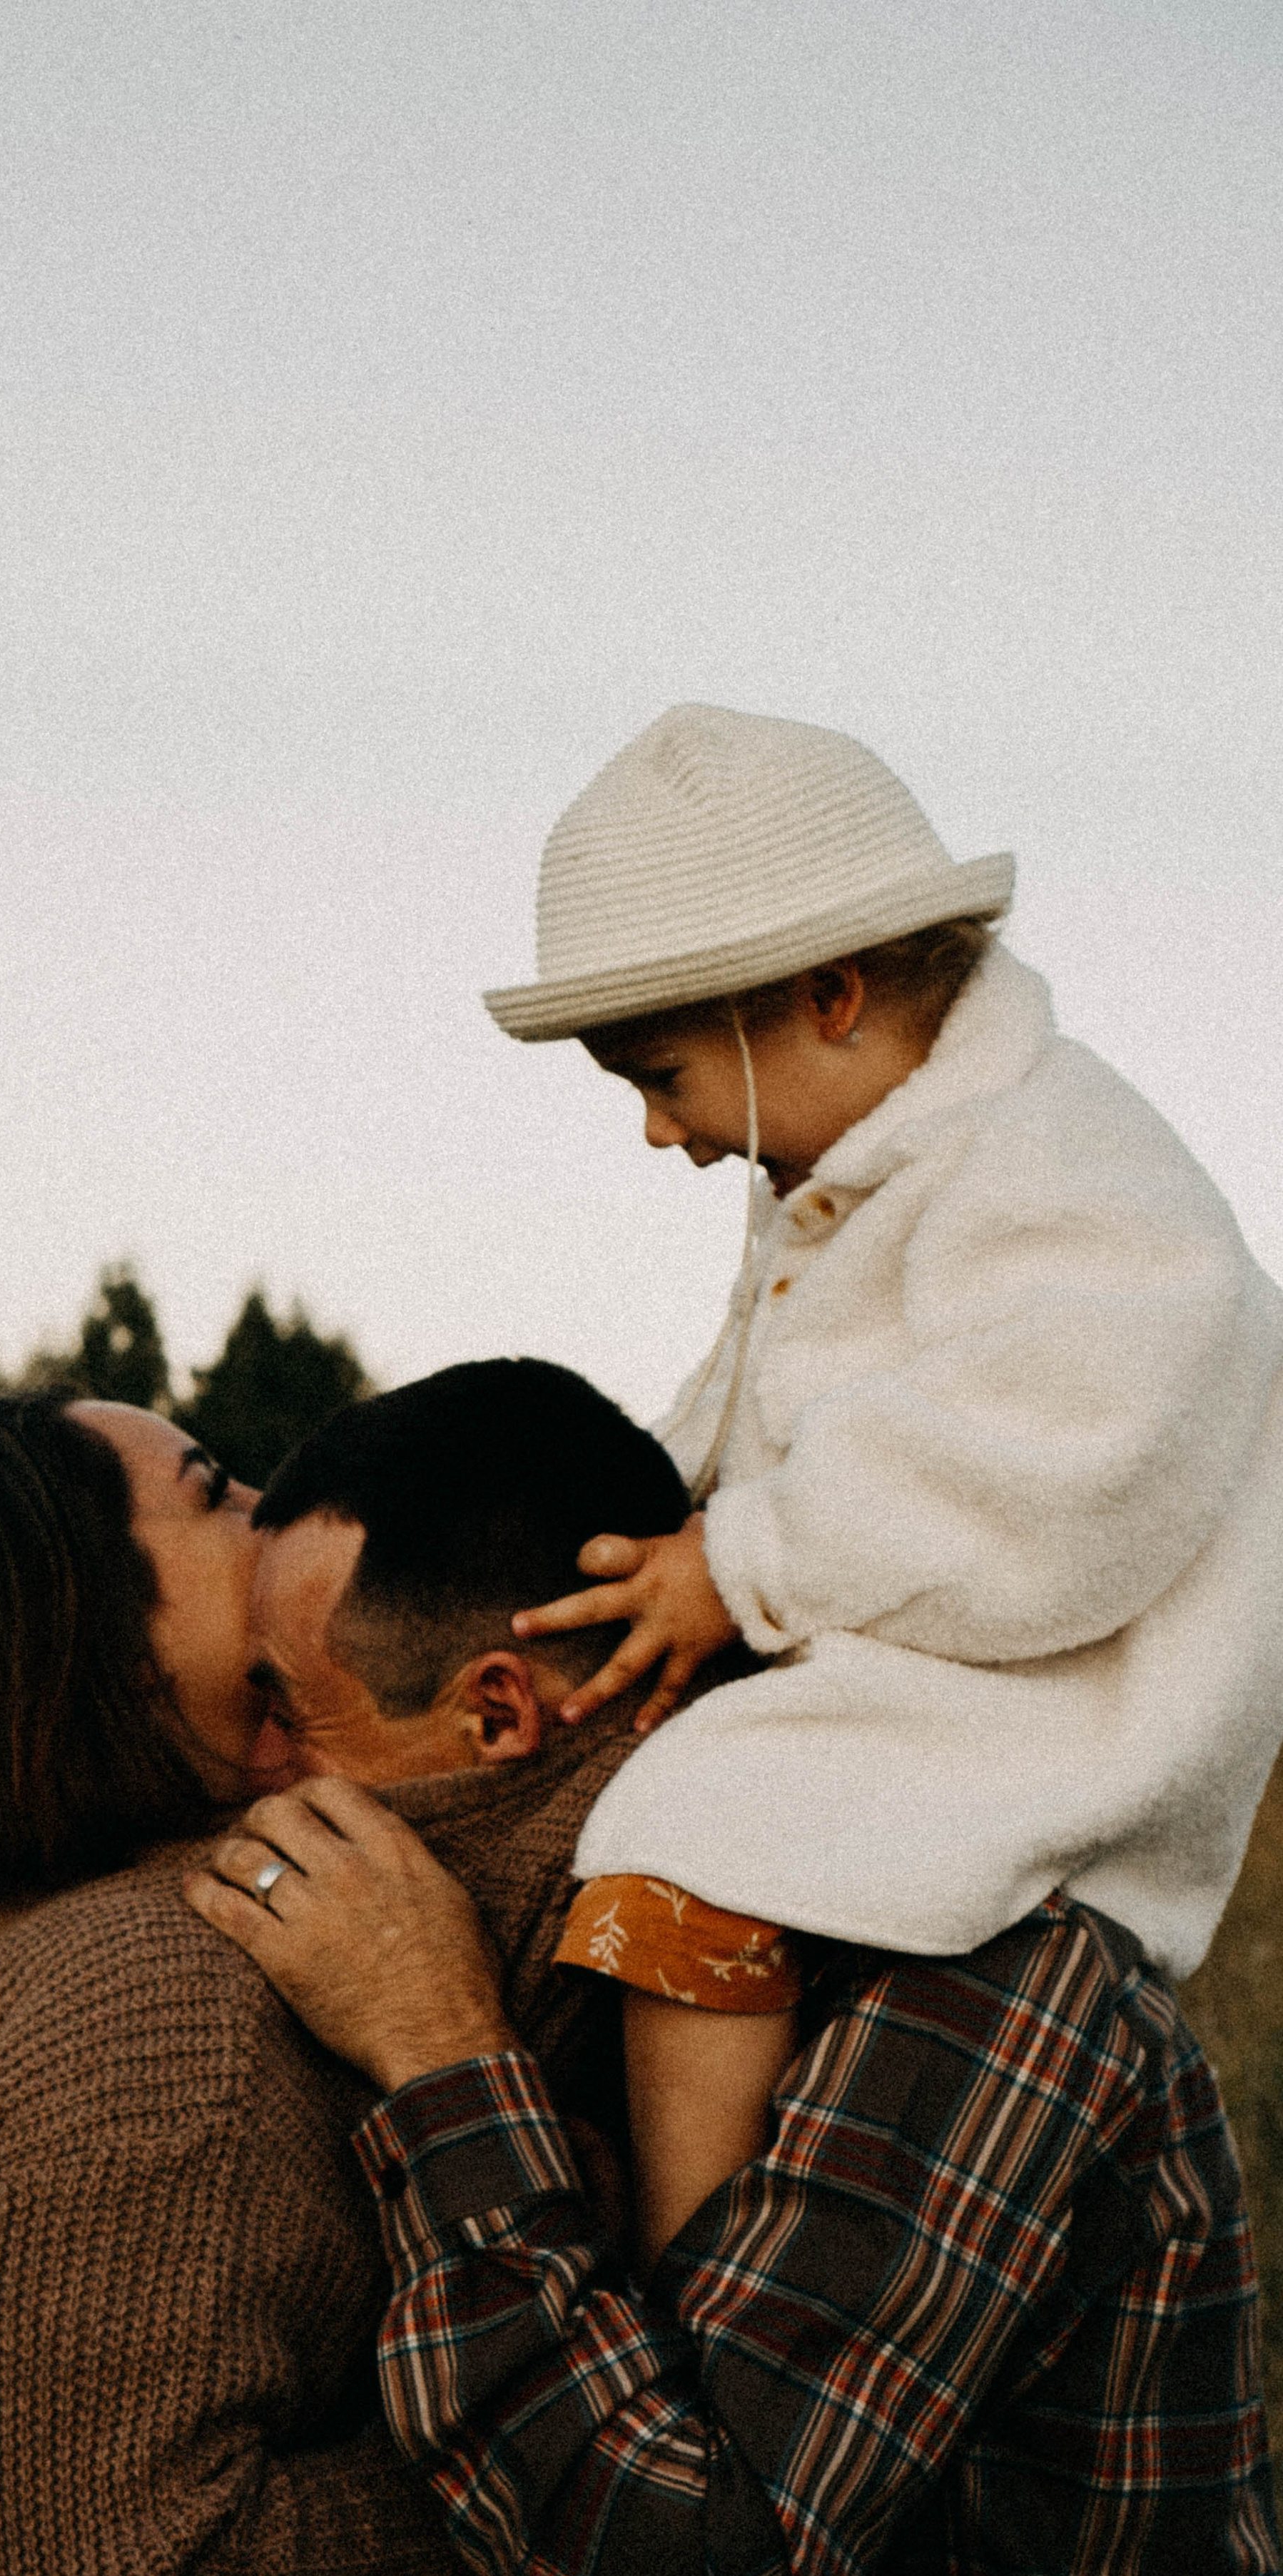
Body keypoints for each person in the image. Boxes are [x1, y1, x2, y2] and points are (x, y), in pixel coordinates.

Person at [0, 1366, 714, 2576]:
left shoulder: (84, 1945)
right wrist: (533, 2480)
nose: (275, 1506)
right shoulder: (152, 1999)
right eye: (215, 1492)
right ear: (96, 1644)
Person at [479, 698, 1283, 2106]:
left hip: (1052, 1719)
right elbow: (738, 1428)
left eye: (663, 1079)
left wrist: (740, 1566)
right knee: (598, 1813)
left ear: (827, 997)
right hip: (927, 1680)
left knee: (686, 1833)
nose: (659, 1133)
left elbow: (1066, 1456)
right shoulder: (856, 1177)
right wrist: (626, 1539)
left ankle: (696, 2263)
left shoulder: (1060, 1161)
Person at [191, 1761, 1283, 2576]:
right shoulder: (641, 1933)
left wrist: (435, 2045)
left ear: (499, 1709)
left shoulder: (979, 1979)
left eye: (296, 1715)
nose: (278, 1780)